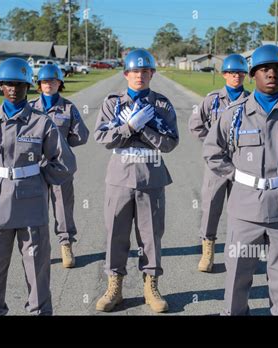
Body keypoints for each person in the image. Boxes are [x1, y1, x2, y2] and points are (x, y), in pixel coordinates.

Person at [203, 45, 278, 315]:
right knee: (237, 276)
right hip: (245, 210)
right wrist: (235, 176)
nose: (273, 74)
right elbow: (212, 152)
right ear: (253, 75)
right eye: (265, 69)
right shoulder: (234, 114)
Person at [0, 57, 76, 315]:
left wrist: (40, 177)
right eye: (8, 83)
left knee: (37, 267)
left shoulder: (42, 123)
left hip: (31, 203)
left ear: (28, 87)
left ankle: (40, 312)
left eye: (19, 84)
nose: (13, 89)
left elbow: (65, 162)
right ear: (0, 86)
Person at [93, 48, 179, 313]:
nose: (139, 76)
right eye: (134, 71)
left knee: (151, 235)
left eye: (145, 71)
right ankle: (114, 287)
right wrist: (128, 127)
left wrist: (146, 128)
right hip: (120, 173)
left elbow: (170, 142)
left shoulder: (162, 105)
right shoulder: (112, 103)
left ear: (151, 73)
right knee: (115, 232)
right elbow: (102, 137)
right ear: (126, 74)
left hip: (151, 173)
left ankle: (151, 286)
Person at [189, 54, 250, 273]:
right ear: (224, 74)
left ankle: (237, 253)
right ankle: (208, 252)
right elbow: (195, 125)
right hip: (216, 163)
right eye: (232, 72)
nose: (236, 76)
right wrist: (213, 144)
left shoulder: (252, 100)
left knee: (241, 209)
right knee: (211, 207)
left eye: (240, 73)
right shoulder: (212, 100)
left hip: (243, 163)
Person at [29, 64, 89, 268]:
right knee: (36, 208)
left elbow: (82, 135)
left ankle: (66, 245)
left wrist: (61, 144)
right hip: (34, 166)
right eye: (45, 81)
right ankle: (39, 248)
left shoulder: (69, 108)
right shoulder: (30, 107)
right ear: (39, 84)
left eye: (53, 81)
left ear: (59, 84)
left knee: (63, 207)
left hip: (61, 167)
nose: (49, 85)